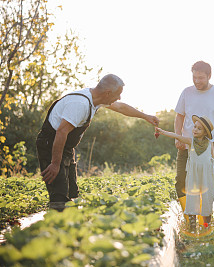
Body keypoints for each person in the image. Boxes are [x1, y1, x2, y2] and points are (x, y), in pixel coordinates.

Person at [36, 74, 159, 211]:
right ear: (108, 93)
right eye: (118, 94)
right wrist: (54, 164)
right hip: (51, 145)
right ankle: (55, 225)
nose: (119, 98)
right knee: (59, 196)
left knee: (71, 193)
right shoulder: (80, 104)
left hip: (66, 147)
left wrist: (145, 116)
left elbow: (121, 108)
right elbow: (61, 133)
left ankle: (69, 223)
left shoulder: (96, 99)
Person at [174, 61, 214, 225]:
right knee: (181, 181)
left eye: (201, 77)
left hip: (208, 149)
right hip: (186, 145)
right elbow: (179, 116)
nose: (197, 81)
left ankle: (205, 218)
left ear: (209, 76)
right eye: (194, 77)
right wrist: (177, 136)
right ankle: (189, 218)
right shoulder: (186, 92)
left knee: (205, 184)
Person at [156, 115, 214, 229]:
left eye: (199, 129)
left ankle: (206, 226)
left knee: (207, 199)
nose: (195, 130)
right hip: (193, 175)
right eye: (194, 127)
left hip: (207, 175)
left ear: (205, 133)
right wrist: (162, 132)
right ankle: (192, 225)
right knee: (192, 198)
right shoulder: (190, 141)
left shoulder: (210, 145)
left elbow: (213, 161)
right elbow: (176, 136)